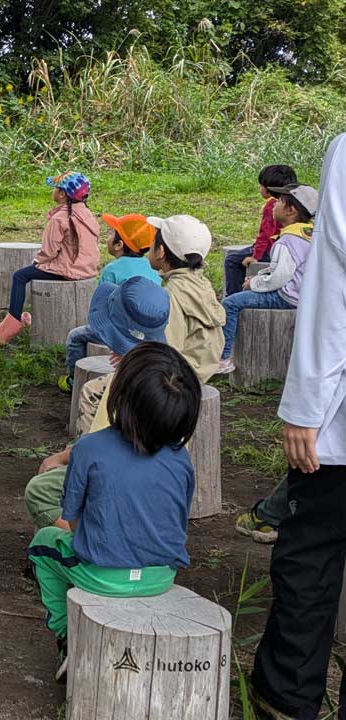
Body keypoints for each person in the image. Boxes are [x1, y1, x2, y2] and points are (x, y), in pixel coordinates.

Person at [28, 342, 201, 682]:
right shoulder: (182, 460)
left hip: (102, 574)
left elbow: (72, 520)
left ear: (118, 395)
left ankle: (66, 636)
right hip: (161, 576)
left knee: (42, 546)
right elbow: (177, 519)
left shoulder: (89, 448)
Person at [250, 133, 346, 720]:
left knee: (310, 552)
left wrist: (306, 405)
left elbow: (334, 285)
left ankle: (286, 698)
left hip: (338, 428)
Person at [23, 276, 172, 530]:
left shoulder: (123, 386)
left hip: (117, 478)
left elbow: (101, 447)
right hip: (156, 480)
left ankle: (91, 536)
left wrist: (63, 457)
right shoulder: (166, 376)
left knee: (39, 490)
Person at [0, 172, 100, 345]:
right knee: (30, 273)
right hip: (87, 269)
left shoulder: (59, 218)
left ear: (62, 194)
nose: (53, 191)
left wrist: (37, 261)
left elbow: (49, 252)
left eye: (55, 188)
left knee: (20, 276)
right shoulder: (88, 215)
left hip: (67, 271)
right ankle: (25, 318)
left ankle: (7, 329)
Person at [219, 183, 316, 376]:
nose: (273, 204)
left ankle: (223, 358)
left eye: (279, 201)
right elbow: (282, 270)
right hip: (303, 295)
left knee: (230, 303)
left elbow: (279, 277)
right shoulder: (309, 235)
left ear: (291, 210)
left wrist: (254, 283)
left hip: (286, 297)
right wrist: (260, 277)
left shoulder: (287, 241)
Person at [59, 212, 159, 392]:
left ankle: (74, 381)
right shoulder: (152, 268)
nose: (108, 237)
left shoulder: (112, 270)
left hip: (118, 330)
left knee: (75, 337)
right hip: (146, 331)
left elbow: (102, 307)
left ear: (119, 245)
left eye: (112, 233)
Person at [147, 214, 225, 383]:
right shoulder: (201, 283)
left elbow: (168, 348)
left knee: (94, 390)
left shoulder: (172, 294)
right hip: (199, 372)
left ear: (160, 252)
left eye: (152, 242)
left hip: (176, 379)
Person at [223, 165, 297, 297]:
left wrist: (255, 256)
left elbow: (265, 234)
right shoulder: (293, 202)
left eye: (261, 185)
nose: (260, 189)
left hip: (269, 249)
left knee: (231, 261)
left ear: (269, 188)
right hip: (284, 247)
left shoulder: (272, 206)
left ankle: (233, 296)